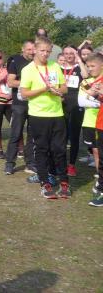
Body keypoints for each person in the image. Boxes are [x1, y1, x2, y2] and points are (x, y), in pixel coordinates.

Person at [19, 37, 70, 198]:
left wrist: (58, 90)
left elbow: (65, 88)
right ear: (35, 50)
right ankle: (45, 183)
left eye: (48, 51)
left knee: (60, 149)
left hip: (57, 114)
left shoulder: (55, 66)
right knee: (42, 149)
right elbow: (24, 93)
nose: (45, 54)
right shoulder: (28, 69)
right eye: (42, 50)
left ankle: (64, 183)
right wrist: (44, 89)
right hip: (38, 115)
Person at [4, 41, 36, 175]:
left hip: (35, 103)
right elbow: (10, 82)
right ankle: (9, 163)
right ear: (22, 49)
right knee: (16, 134)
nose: (31, 52)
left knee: (32, 135)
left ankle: (30, 163)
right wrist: (28, 83)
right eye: (29, 49)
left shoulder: (38, 62)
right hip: (19, 104)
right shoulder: (15, 61)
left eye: (33, 49)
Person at [78, 52, 103, 206]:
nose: (90, 69)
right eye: (88, 66)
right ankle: (101, 186)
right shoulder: (97, 80)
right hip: (100, 123)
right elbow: (92, 93)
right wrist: (85, 84)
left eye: (93, 66)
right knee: (101, 156)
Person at [61, 45, 84, 177]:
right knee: (61, 136)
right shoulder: (58, 68)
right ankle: (61, 162)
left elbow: (86, 75)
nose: (69, 55)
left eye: (72, 53)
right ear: (63, 54)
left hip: (76, 105)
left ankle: (71, 165)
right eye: (66, 53)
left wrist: (79, 60)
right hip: (61, 105)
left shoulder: (79, 68)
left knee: (74, 136)